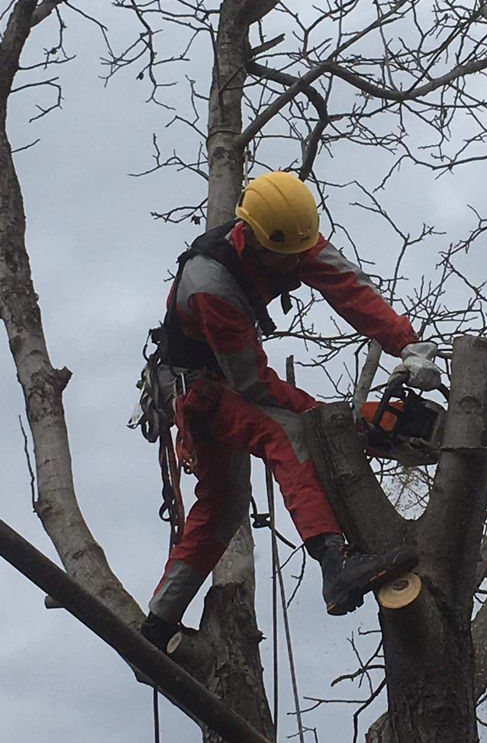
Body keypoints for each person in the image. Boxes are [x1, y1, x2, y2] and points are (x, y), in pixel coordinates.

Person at [140, 170, 441, 648]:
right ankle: (333, 562)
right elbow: (254, 386)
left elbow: (350, 288)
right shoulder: (210, 284)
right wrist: (344, 421)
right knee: (286, 434)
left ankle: (155, 625)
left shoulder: (292, 237)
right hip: (198, 391)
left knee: (225, 506)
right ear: (254, 240)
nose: (294, 267)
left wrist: (409, 345)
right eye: (284, 260)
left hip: (224, 381)